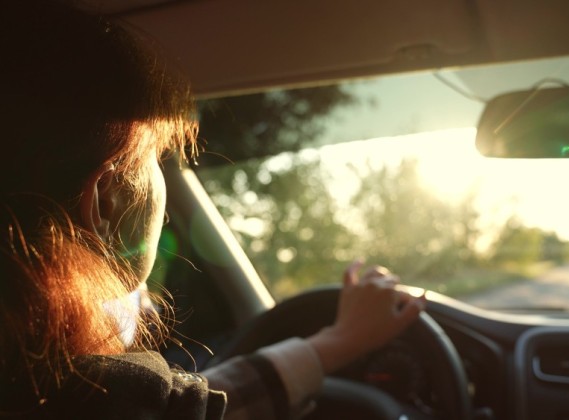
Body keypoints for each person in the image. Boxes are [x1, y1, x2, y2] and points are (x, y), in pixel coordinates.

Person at [0, 1, 426, 418]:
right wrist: (341, 341)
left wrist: (335, 343)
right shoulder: (111, 397)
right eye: (159, 156)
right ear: (106, 199)